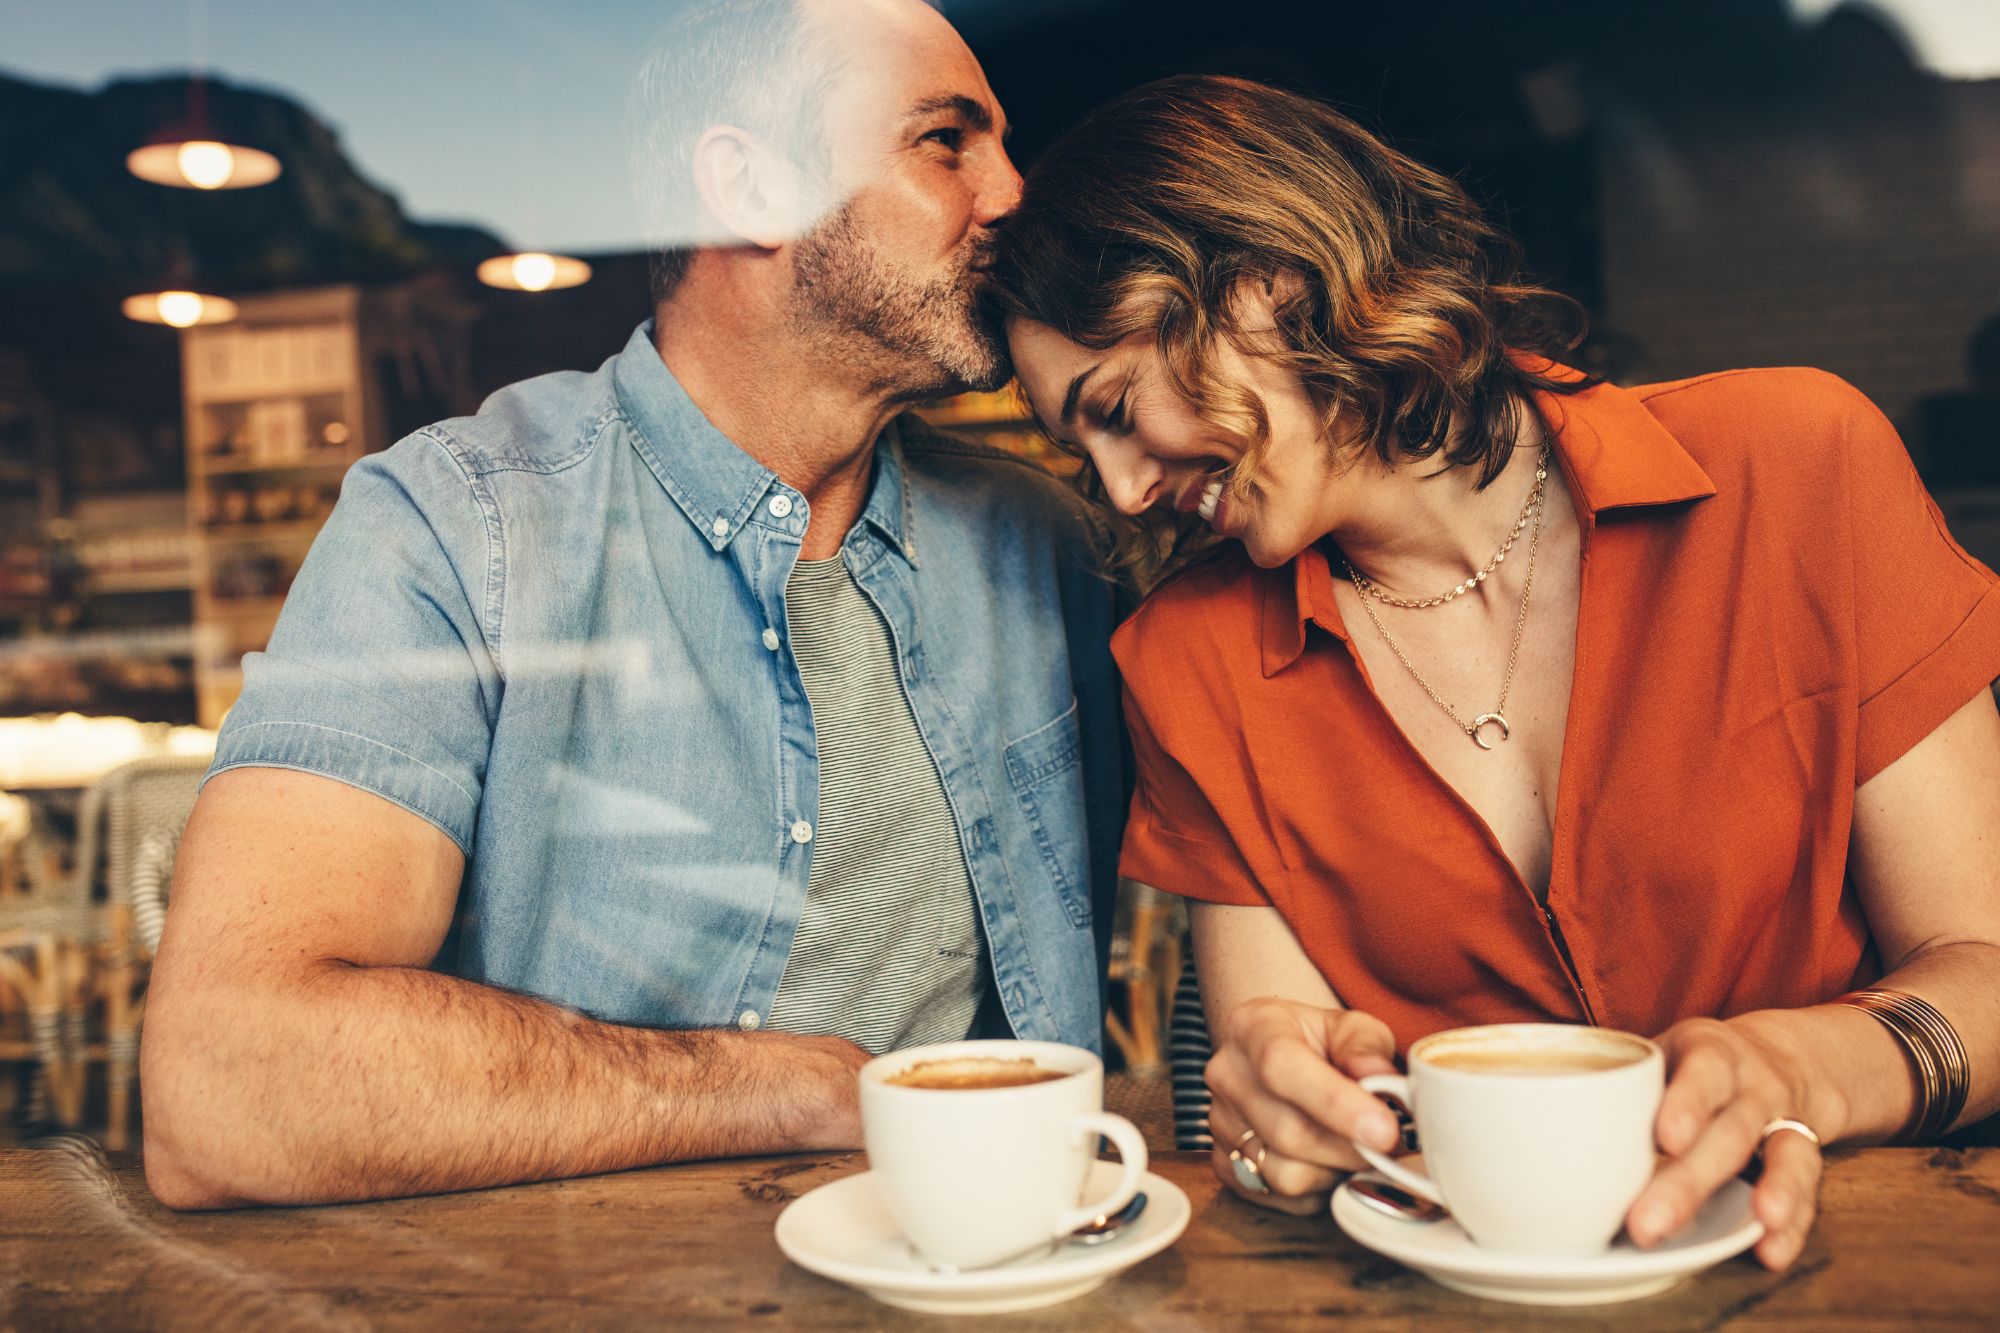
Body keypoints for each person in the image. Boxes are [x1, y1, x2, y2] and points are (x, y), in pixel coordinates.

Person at [992, 74, 2000, 1272]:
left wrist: (1800, 1068)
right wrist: (1275, 1130)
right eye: (1078, 449)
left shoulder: (1796, 464)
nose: (1118, 489)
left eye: (1114, 406)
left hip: (1851, 1259)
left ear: (1268, 282)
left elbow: (1983, 964)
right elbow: (1267, 1093)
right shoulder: (1185, 657)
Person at [140, 0, 1126, 1209]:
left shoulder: (1052, 548)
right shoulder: (459, 527)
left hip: (979, 1269)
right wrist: (780, 1090)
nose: (1012, 192)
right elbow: (231, 1080)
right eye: (944, 140)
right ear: (749, 187)